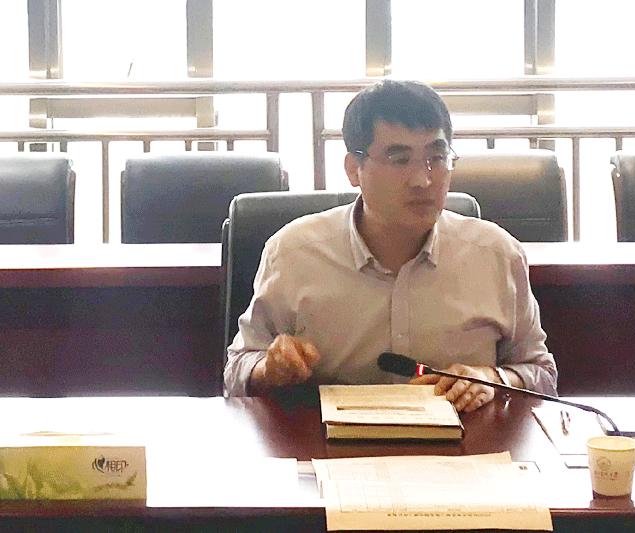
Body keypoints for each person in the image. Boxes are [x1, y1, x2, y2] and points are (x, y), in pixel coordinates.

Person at [224, 80, 557, 412]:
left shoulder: (497, 254)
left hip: (465, 442)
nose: (423, 180)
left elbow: (542, 374)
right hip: (327, 441)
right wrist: (269, 370)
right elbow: (236, 371)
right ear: (354, 170)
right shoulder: (293, 253)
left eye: (437, 157)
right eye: (399, 159)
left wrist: (492, 378)